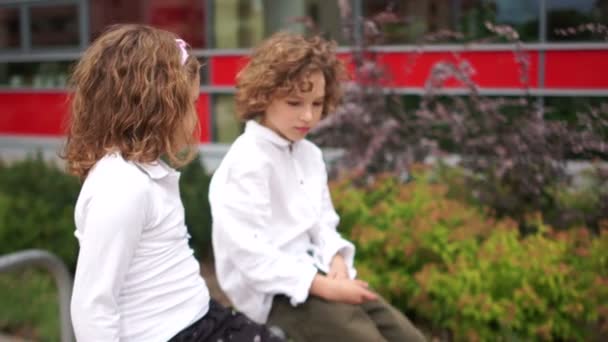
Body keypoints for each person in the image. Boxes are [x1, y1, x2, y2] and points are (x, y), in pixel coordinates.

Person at [64, 24, 283, 342]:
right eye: (190, 105)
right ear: (157, 108)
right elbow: (92, 306)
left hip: (200, 318)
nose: (196, 118)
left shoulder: (145, 173)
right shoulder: (122, 187)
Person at [209, 32, 426, 342]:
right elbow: (251, 257)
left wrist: (337, 260)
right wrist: (326, 286)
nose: (308, 116)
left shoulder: (310, 154)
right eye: (294, 102)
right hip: (278, 296)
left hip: (323, 276)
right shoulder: (246, 162)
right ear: (264, 95)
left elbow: (323, 223)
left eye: (317, 103)